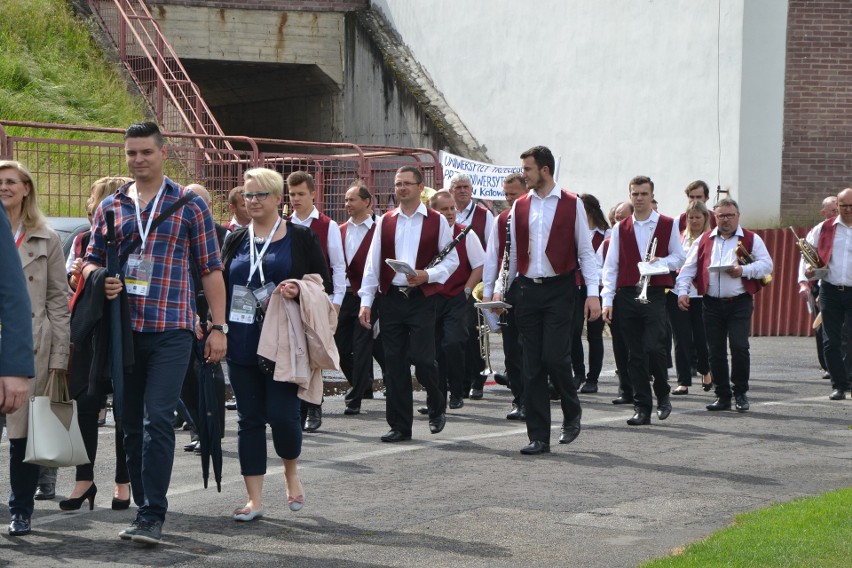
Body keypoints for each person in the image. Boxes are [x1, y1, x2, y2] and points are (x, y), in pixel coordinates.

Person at [82, 121, 227, 544]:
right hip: (123, 331)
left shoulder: (188, 204)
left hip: (172, 328)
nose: (138, 159)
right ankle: (145, 507)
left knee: (158, 418)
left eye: (146, 152)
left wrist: (217, 327)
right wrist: (99, 278)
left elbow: (210, 269)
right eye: (131, 153)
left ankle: (152, 514)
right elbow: (88, 261)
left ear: (163, 153)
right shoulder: (111, 206)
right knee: (128, 422)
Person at [221, 167, 330, 522]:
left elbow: (321, 283)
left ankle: (290, 470)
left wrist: (299, 289)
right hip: (241, 340)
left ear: (278, 199)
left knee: (283, 417)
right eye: (247, 195)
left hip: (283, 342)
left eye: (260, 195)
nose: (251, 201)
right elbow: (221, 285)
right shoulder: (235, 239)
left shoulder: (300, 237)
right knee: (248, 420)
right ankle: (254, 498)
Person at [493, 146, 600, 455]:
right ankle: (539, 436)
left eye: (527, 169)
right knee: (532, 365)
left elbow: (586, 253)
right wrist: (502, 289)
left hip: (560, 289)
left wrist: (592, 294)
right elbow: (511, 254)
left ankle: (571, 411)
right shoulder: (520, 206)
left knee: (555, 356)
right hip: (527, 290)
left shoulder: (572, 203)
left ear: (544, 170)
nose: (522, 174)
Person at [358, 165, 459, 443]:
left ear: (420, 186)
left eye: (406, 183)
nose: (401, 188)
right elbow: (372, 263)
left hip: (422, 299)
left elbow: (452, 261)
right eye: (397, 183)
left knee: (425, 360)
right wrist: (366, 301)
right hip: (392, 299)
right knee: (395, 364)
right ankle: (400, 425)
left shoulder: (437, 220)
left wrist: (428, 275)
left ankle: (437, 402)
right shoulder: (385, 221)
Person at [0, 160, 70, 536]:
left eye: (12, 181)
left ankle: (21, 510)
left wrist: (59, 356)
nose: (4, 187)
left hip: (32, 347)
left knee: (22, 437)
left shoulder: (47, 237)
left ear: (27, 188)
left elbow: (59, 300)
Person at [63, 176, 134, 514]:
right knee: (85, 405)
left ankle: (124, 481)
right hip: (90, 331)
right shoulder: (81, 240)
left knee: (125, 408)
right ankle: (84, 480)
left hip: (126, 329)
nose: (89, 204)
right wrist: (80, 276)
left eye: (93, 196)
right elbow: (73, 289)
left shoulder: (133, 236)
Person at [602, 176, 685, 426]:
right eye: (634, 194)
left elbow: (679, 258)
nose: (638, 198)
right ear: (630, 196)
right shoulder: (620, 228)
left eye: (643, 194)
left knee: (654, 348)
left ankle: (662, 392)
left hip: (655, 293)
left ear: (651, 196)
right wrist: (607, 299)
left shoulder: (668, 224)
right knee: (634, 355)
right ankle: (642, 407)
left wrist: (659, 263)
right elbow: (611, 266)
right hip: (627, 294)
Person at [676, 198, 773, 411]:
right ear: (715, 217)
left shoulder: (751, 238)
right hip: (710, 303)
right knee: (715, 351)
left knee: (739, 346)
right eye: (721, 216)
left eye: (730, 215)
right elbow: (688, 269)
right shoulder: (704, 240)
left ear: (738, 216)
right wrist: (682, 292)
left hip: (739, 302)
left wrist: (743, 271)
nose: (726, 220)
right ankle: (722, 395)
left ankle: (740, 393)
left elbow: (767, 265)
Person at [287, 170, 345, 432]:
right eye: (292, 194)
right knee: (295, 353)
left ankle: (314, 407)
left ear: (313, 193)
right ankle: (297, 408)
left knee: (314, 352)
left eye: (301, 194)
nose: (296, 199)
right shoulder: (283, 224)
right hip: (291, 298)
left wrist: (337, 300)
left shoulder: (327, 225)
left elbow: (338, 266)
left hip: (319, 298)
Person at [429, 190, 485, 410]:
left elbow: (479, 264)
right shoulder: (428, 233)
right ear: (434, 211)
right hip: (432, 298)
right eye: (444, 209)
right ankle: (437, 397)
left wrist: (467, 290)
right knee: (433, 350)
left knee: (453, 344)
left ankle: (457, 391)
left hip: (457, 297)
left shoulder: (465, 233)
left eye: (452, 208)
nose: (450, 213)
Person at [482, 173, 527, 420]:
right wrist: (490, 293)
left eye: (514, 194)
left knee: (530, 349)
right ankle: (520, 400)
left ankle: (535, 396)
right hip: (509, 288)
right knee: (512, 350)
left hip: (534, 288)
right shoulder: (501, 219)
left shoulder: (535, 216)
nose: (509, 199)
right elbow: (493, 258)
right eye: (506, 194)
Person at [802, 188, 852, 400]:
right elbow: (807, 255)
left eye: (851, 206)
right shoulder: (823, 228)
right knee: (830, 340)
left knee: (849, 338)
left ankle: (848, 378)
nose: (848, 210)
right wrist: (808, 270)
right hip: (830, 289)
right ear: (837, 206)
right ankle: (839, 384)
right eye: (844, 206)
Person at [448, 173, 494, 399]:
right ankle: (461, 380)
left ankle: (478, 379)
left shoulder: (485, 215)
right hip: (451, 284)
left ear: (472, 189)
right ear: (451, 190)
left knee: (475, 335)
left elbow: (492, 251)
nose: (462, 191)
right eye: (458, 187)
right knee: (457, 336)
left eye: (466, 187)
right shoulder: (445, 212)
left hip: (475, 282)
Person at [335, 182, 379, 415]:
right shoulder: (340, 230)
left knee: (362, 347)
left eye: (352, 199)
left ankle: (355, 398)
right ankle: (361, 385)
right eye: (346, 200)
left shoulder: (379, 229)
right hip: (345, 297)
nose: (347, 204)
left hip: (368, 297)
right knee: (339, 348)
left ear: (366, 202)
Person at [669, 200, 713, 394]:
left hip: (702, 294)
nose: (694, 221)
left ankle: (705, 371)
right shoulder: (679, 238)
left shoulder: (711, 238)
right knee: (681, 338)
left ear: (705, 218)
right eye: (690, 217)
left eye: (698, 217)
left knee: (702, 337)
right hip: (678, 292)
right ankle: (683, 381)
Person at [797, 195, 842, 381]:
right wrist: (803, 282)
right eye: (831, 211)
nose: (835, 213)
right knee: (823, 329)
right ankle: (828, 366)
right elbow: (806, 255)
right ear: (823, 213)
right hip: (822, 286)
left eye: (837, 210)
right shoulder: (820, 229)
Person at [572, 193, 610, 394]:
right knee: (573, 331)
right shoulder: (575, 232)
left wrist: (590, 272)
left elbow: (609, 266)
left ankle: (592, 378)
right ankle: (578, 373)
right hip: (576, 288)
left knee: (595, 335)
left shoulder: (606, 234)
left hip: (598, 289)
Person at [604, 201, 635, 405]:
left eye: (622, 218)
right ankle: (625, 388)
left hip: (640, 295)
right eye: (615, 218)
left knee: (639, 346)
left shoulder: (640, 237)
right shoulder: (608, 242)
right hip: (617, 297)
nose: (618, 222)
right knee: (620, 346)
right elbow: (603, 269)